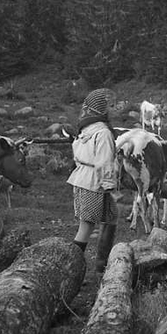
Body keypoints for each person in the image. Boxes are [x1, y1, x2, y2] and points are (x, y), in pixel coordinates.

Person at [67, 88, 120, 273]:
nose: (114, 109)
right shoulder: (103, 132)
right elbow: (104, 162)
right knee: (86, 226)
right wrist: (109, 184)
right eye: (111, 106)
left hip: (82, 179)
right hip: (93, 182)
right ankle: (71, 269)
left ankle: (101, 264)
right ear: (101, 109)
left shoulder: (86, 127)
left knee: (112, 216)